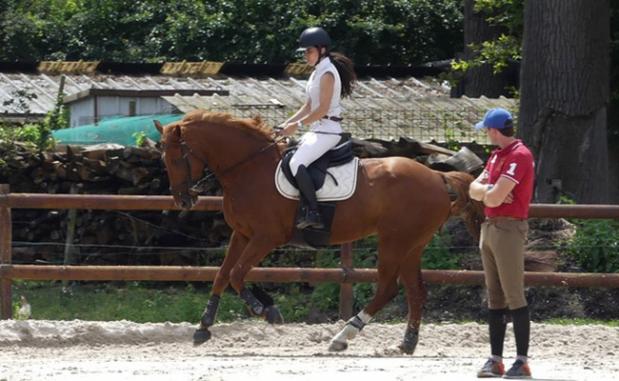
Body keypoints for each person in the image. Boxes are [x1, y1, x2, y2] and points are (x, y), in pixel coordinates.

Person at [468, 108, 535, 379]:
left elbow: (490, 196)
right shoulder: (497, 156)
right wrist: (490, 192)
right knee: (495, 295)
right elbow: (476, 190)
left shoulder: (519, 155)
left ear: (494, 130)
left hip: (508, 228)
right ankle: (495, 359)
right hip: (490, 227)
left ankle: (522, 361)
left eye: (486, 129)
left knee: (513, 294)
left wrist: (489, 193)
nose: (485, 133)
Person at [277, 26, 356, 229]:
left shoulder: (328, 73)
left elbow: (321, 110)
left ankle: (313, 212)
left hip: (329, 131)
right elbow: (308, 106)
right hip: (317, 131)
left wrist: (298, 125)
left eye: (309, 51)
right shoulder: (316, 73)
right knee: (286, 156)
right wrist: (285, 124)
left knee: (296, 163)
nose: (306, 56)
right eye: (304, 52)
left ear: (321, 50)